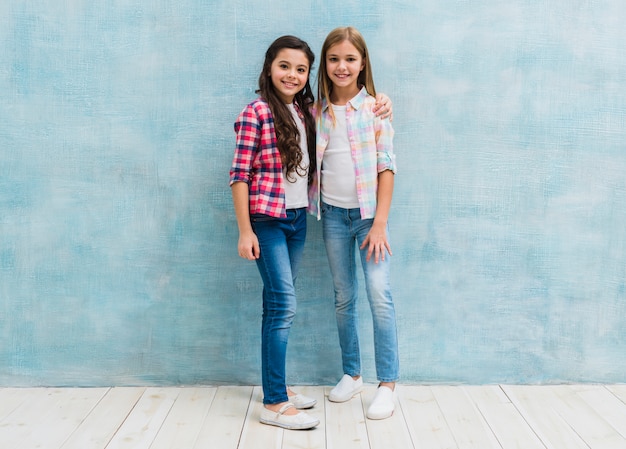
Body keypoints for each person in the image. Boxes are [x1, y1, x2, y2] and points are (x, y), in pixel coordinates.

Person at [230, 35, 392, 430]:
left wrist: (383, 100)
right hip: (270, 220)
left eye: (301, 69)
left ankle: (282, 389)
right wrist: (245, 231)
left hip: (302, 218)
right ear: (269, 67)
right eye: (284, 66)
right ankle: (274, 401)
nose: (292, 74)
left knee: (289, 302)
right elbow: (239, 174)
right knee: (284, 304)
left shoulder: (306, 111)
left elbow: (373, 150)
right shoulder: (260, 111)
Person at [308, 26, 399, 420]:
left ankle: (388, 384)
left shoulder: (375, 108)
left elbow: (386, 166)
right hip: (332, 216)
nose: (341, 66)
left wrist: (379, 223)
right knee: (343, 296)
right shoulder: (316, 111)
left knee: (379, 294)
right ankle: (352, 372)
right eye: (333, 59)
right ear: (325, 65)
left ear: (363, 64)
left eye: (349, 59)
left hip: (367, 221)